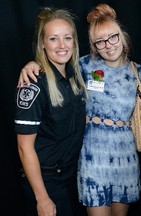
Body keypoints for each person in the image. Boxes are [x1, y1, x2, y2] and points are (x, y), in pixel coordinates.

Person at [17, 3, 141, 216]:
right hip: (93, 157)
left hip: (126, 157)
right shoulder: (83, 67)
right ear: (93, 45)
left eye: (113, 37)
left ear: (122, 35)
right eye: (100, 41)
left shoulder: (138, 72)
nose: (108, 45)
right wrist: (32, 63)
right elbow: (52, 65)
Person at [15, 7, 87, 216]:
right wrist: (42, 198)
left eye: (67, 38)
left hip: (72, 176)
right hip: (47, 181)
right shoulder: (34, 84)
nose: (62, 45)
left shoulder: (76, 77)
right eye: (54, 39)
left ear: (74, 41)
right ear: (43, 44)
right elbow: (23, 148)